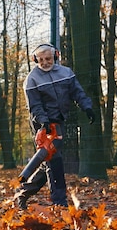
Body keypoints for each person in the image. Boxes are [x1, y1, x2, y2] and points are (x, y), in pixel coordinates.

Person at [15, 43, 96, 209]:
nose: (45, 62)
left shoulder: (65, 73)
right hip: (41, 123)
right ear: (35, 60)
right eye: (41, 60)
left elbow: (77, 92)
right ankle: (60, 203)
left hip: (59, 121)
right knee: (54, 161)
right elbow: (35, 105)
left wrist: (87, 107)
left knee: (49, 162)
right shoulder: (32, 79)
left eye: (49, 59)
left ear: (56, 57)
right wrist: (43, 122)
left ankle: (23, 192)